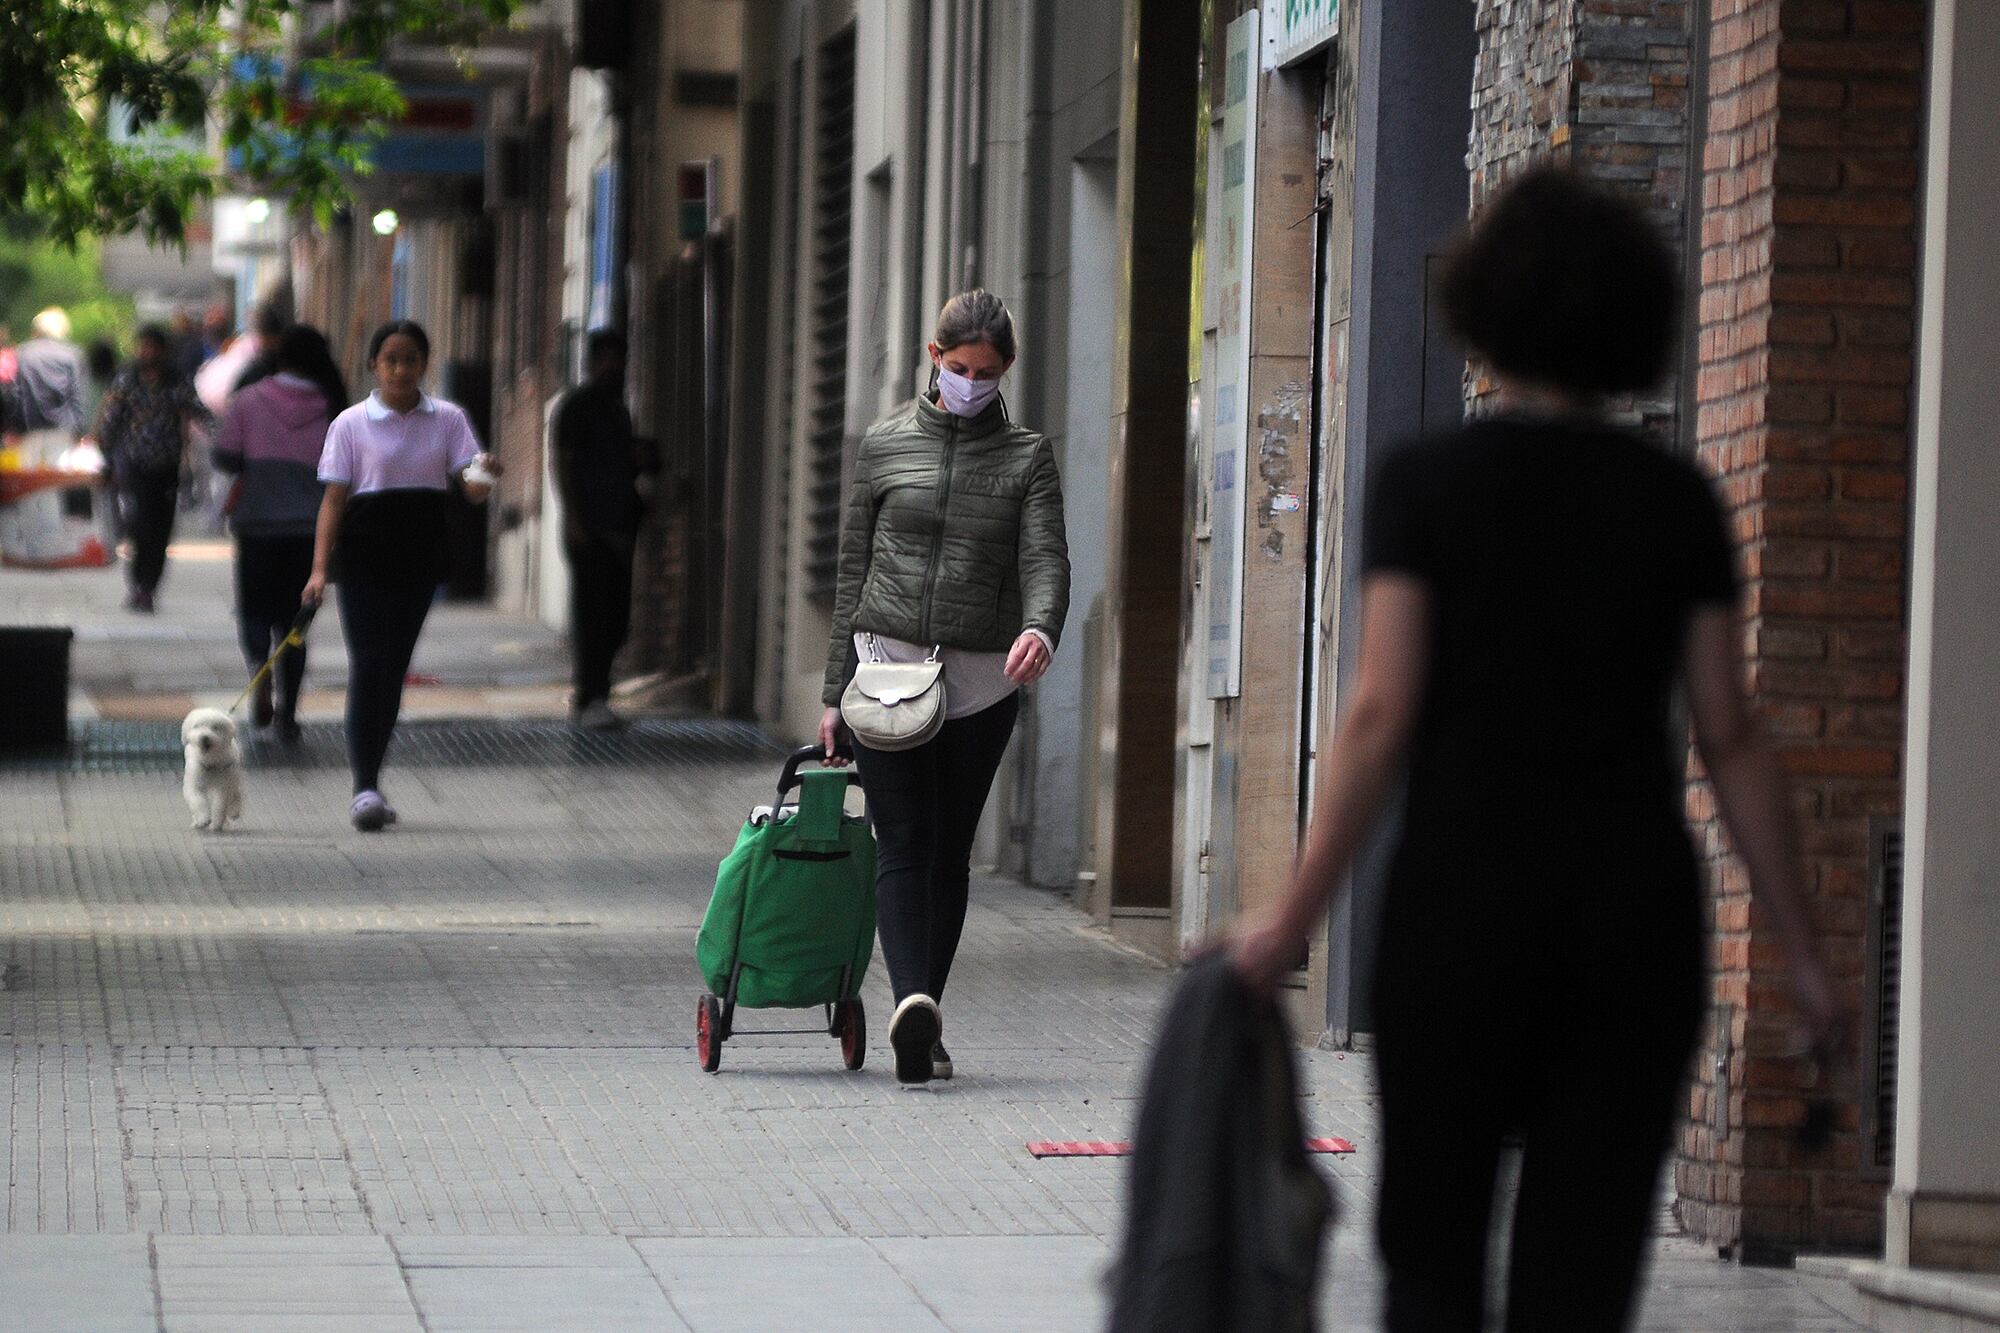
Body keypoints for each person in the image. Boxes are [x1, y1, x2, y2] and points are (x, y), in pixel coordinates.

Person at [1228, 167, 1841, 1332]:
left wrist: (1290, 918)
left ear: (1484, 311)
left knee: (1432, 1254)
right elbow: (1731, 733)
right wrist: (1805, 954)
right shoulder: (1674, 502)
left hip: (1460, 908)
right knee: (1583, 1261)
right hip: (1628, 918)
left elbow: (1377, 714)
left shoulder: (1426, 487)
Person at [818, 290, 1071, 1085]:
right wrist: (834, 691)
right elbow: (852, 568)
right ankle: (915, 1003)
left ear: (1007, 371)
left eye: (986, 372)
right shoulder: (886, 443)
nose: (970, 382)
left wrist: (1042, 626)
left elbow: (1045, 557)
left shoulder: (1027, 455)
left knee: (948, 849)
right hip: (885, 668)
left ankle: (919, 1016)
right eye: (958, 368)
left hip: (980, 681)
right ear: (934, 359)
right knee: (902, 839)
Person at [301, 319, 500, 831]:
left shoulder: (448, 419)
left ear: (424, 364)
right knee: (368, 665)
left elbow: (471, 487)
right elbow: (333, 499)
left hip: (420, 556)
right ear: (374, 364)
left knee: (393, 669)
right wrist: (320, 568)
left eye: (410, 358)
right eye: (390, 359)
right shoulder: (350, 424)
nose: (400, 369)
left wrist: (487, 474)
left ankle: (372, 778)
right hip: (364, 556)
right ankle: (364, 786)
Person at [214, 324, 346, 742]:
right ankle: (289, 712)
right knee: (295, 621)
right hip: (310, 528)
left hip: (257, 524)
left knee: (254, 612)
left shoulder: (248, 400)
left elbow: (224, 455)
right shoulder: (332, 405)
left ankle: (260, 674)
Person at [552, 329, 645, 730]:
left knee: (614, 616)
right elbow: (563, 461)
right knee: (592, 616)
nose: (613, 365)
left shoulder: (617, 407)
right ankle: (589, 695)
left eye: (618, 357)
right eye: (604, 357)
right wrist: (574, 518)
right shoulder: (578, 404)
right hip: (590, 528)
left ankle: (599, 693)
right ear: (589, 361)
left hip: (619, 527)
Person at [95, 324, 211, 612]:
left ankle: (150, 585)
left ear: (162, 350)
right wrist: (105, 456)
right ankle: (138, 584)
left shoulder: (176, 382)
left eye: (152, 346)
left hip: (168, 465)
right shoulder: (127, 380)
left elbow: (198, 410)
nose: (146, 352)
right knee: (139, 524)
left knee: (161, 528)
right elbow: (111, 420)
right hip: (134, 463)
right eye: (142, 346)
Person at [13, 307, 89, 446]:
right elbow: (78, 395)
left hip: (29, 429)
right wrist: (80, 429)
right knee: (58, 469)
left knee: (30, 468)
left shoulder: (22, 353)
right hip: (63, 430)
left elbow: (17, 393)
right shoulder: (73, 354)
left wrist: (15, 427)